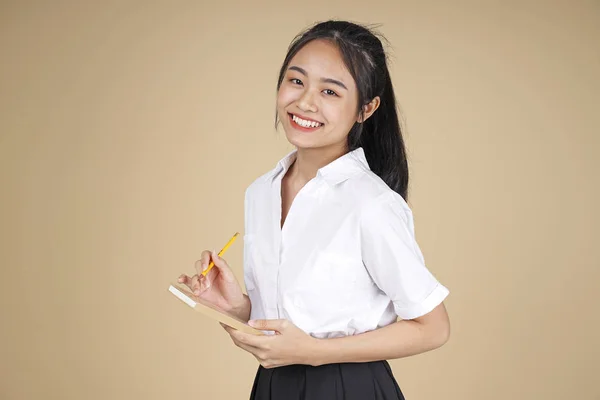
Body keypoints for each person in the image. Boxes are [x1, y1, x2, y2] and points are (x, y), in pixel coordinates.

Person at [178, 20, 451, 400]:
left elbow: (433, 327)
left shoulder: (369, 203)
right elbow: (298, 323)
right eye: (296, 81)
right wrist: (238, 308)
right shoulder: (260, 192)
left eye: (330, 91)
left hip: (347, 388)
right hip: (273, 387)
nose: (305, 102)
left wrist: (318, 354)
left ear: (366, 109)